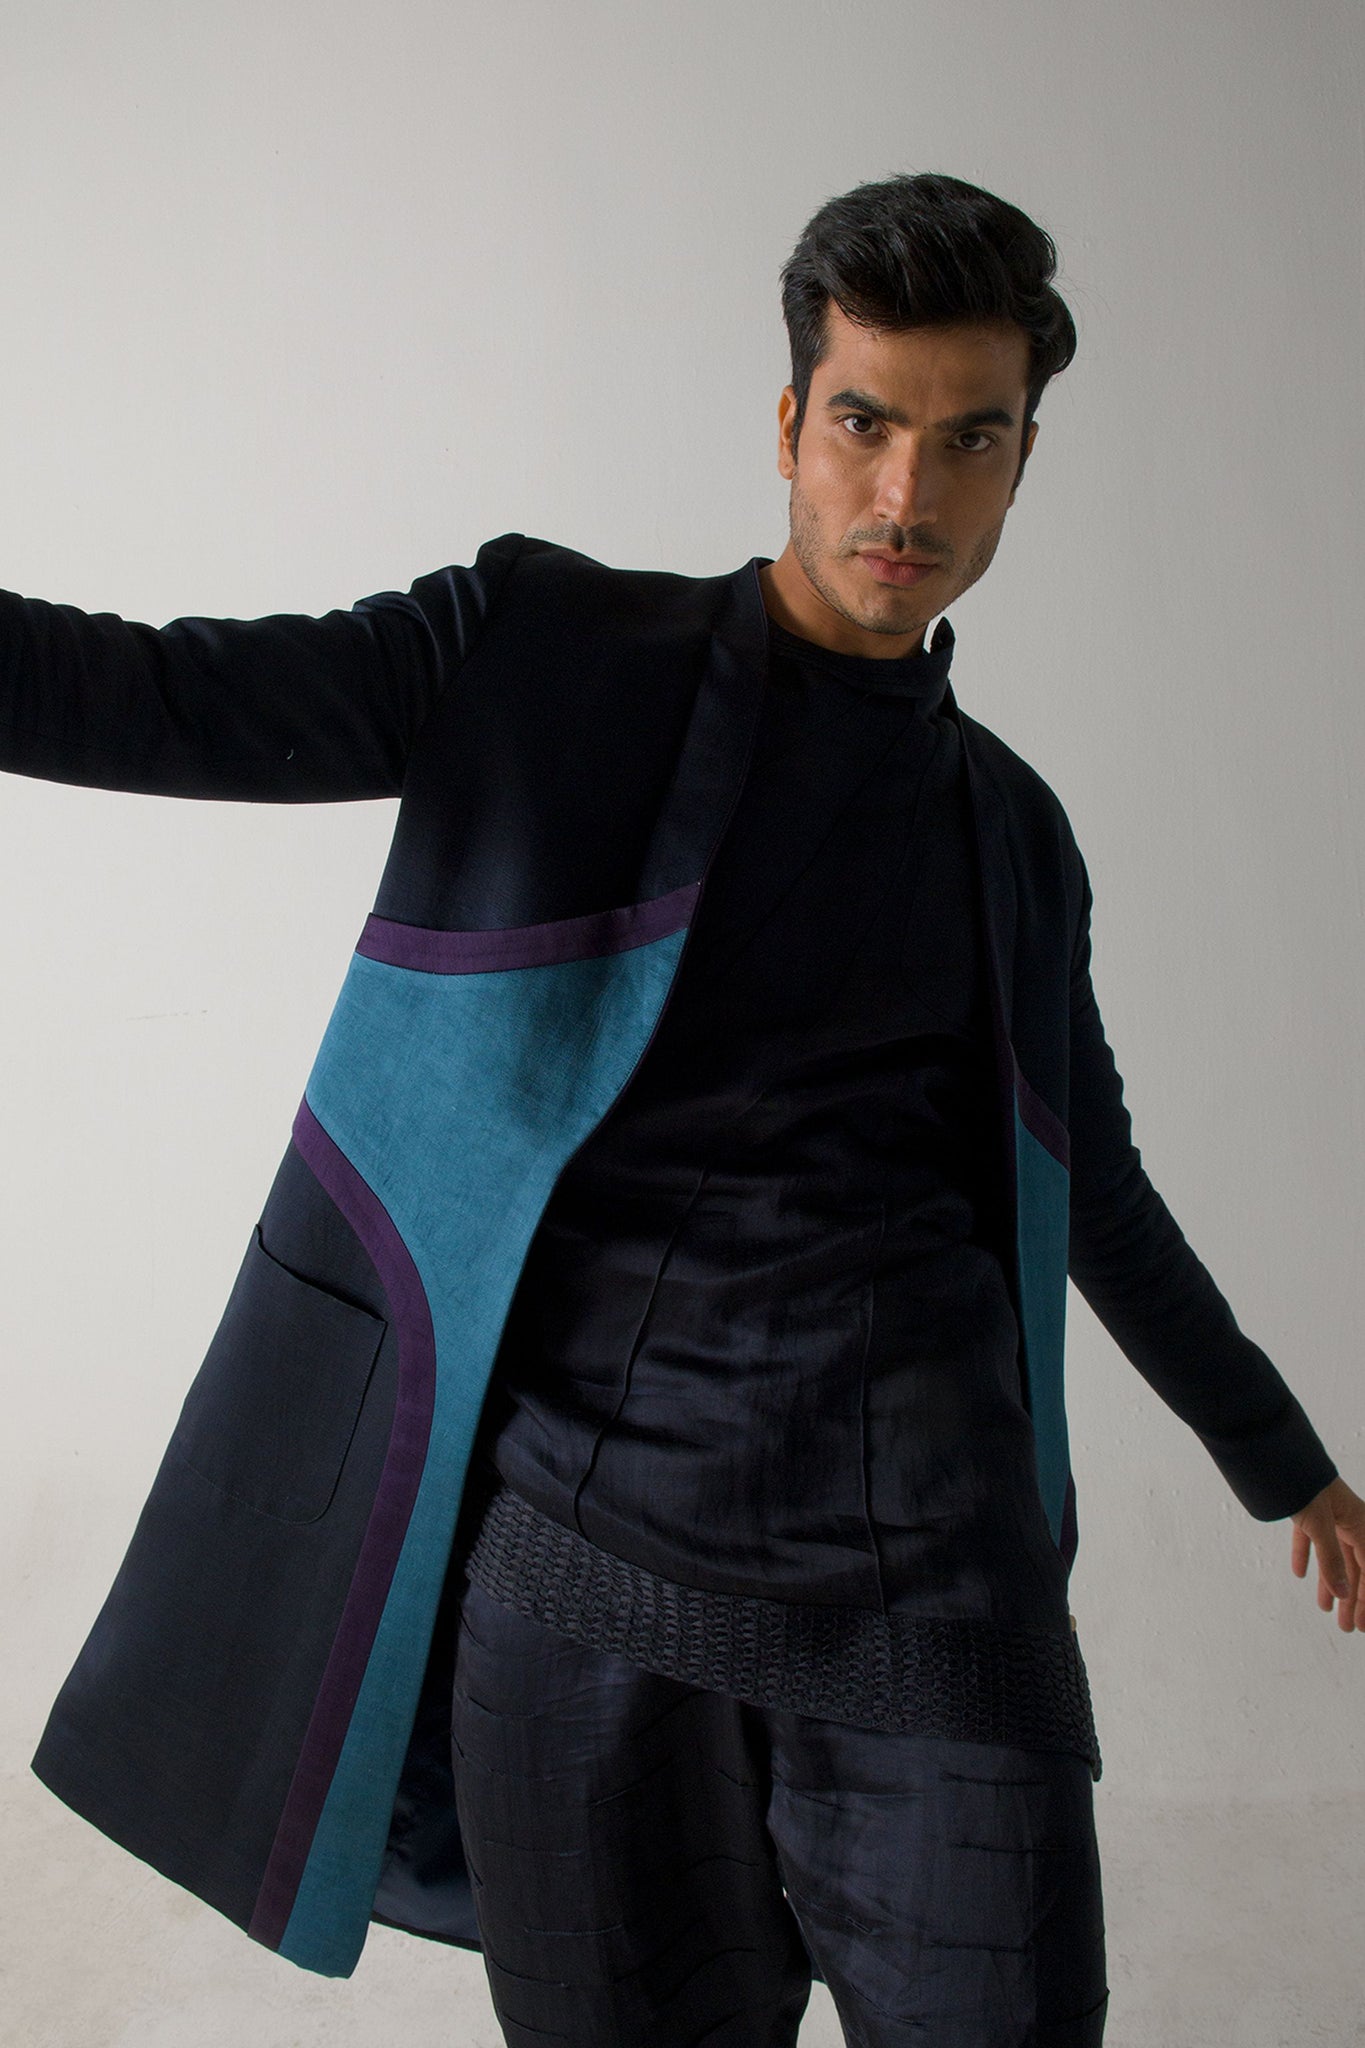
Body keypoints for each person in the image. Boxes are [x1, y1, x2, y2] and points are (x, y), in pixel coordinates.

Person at [9, 171, 1363, 2048]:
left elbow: (1096, 1190)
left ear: (1022, 463)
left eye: (967, 441)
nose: (907, 494)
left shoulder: (1012, 833)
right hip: (577, 1579)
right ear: (789, 424)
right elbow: (156, 697)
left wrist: (1282, 1461)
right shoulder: (538, 655)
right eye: (865, 424)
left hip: (933, 1594)